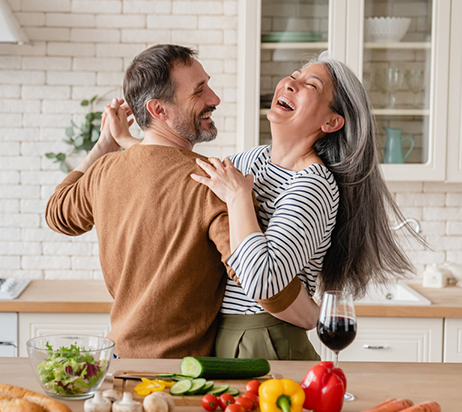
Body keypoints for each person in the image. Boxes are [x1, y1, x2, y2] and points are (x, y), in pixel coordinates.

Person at [191, 51, 417, 359]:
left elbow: (263, 281)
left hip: (266, 339)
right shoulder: (248, 160)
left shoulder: (313, 185)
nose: (290, 83)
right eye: (294, 75)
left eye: (310, 84)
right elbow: (190, 188)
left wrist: (239, 198)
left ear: (331, 121)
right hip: (221, 334)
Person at [45, 44, 240, 358]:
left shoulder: (104, 170)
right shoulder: (211, 181)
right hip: (181, 373)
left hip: (118, 363)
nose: (214, 99)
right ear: (158, 110)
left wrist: (103, 145)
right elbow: (253, 274)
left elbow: (57, 213)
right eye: (199, 91)